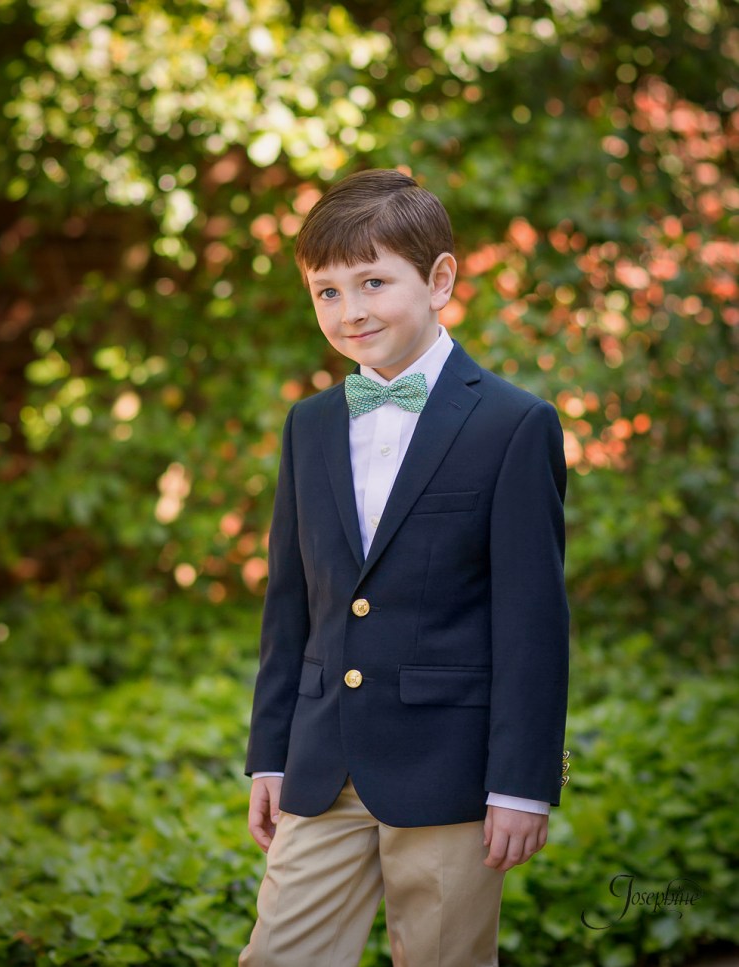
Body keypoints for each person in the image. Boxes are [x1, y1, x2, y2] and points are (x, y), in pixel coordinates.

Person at [239, 168, 570, 967]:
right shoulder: (310, 425)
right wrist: (270, 752)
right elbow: (292, 602)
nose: (350, 311)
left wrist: (522, 782)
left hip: (449, 768)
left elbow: (531, 621)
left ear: (441, 279)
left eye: (373, 282)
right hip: (322, 762)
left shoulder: (514, 424)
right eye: (326, 291)